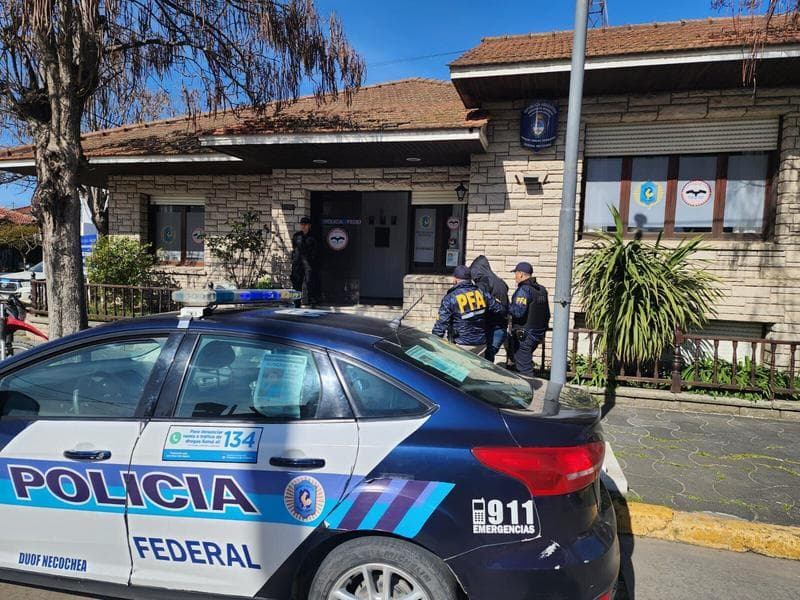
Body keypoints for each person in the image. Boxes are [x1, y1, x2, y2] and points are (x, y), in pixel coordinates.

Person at [432, 265, 504, 354]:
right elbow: (499, 309)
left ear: (455, 279)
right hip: (481, 343)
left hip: (461, 344)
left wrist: (433, 344)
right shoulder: (481, 293)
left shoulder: (450, 298)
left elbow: (441, 323)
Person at [509, 261, 551, 377]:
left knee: (524, 370)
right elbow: (547, 314)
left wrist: (505, 306)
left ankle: (530, 391)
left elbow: (518, 312)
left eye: (516, 274)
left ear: (521, 274)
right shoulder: (541, 290)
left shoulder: (524, 290)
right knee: (522, 362)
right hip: (537, 334)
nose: (515, 277)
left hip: (524, 335)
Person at [469, 255, 509, 363]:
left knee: (482, 363)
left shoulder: (483, 282)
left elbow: (479, 303)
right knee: (489, 360)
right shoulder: (500, 282)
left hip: (489, 327)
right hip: (501, 327)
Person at [290, 216, 318, 306]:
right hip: (297, 263)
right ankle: (296, 302)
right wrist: (293, 259)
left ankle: (312, 301)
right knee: (296, 283)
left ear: (309, 225)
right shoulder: (296, 236)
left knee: (310, 282)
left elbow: (316, 250)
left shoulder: (313, 237)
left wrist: (313, 260)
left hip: (308, 264)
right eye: (302, 224)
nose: (303, 226)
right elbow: (294, 248)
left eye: (305, 225)